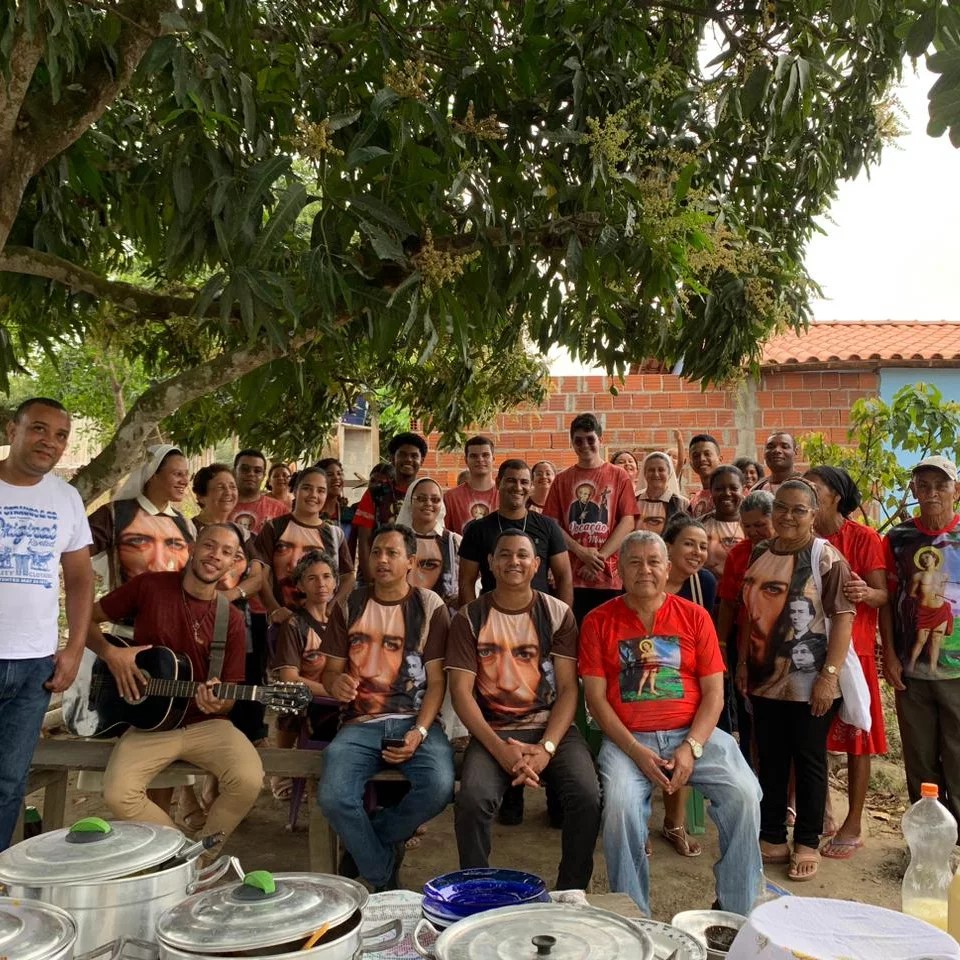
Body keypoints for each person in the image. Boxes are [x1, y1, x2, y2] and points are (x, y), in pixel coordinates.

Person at [580, 531, 762, 915]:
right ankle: (634, 915)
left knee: (745, 794)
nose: (645, 570)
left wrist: (691, 747)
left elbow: (714, 694)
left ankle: (736, 909)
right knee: (619, 807)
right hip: (629, 741)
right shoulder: (598, 621)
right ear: (619, 570)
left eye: (653, 562)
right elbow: (595, 700)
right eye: (634, 562)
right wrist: (635, 751)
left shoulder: (695, 617)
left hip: (693, 734)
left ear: (667, 569)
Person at [87, 524, 264, 852]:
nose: (216, 556)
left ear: (233, 564)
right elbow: (86, 617)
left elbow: (228, 695)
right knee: (118, 793)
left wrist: (219, 703)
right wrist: (111, 654)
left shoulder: (231, 619)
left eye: (226, 552)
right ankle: (179, 854)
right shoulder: (150, 586)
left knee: (248, 780)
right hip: (151, 726)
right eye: (209, 546)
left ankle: (205, 856)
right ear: (192, 548)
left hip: (206, 724)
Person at [447, 530, 601, 888]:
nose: (513, 561)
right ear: (490, 563)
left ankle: (570, 890)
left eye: (522, 555)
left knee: (587, 795)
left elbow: (568, 689)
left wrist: (546, 748)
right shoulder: (469, 617)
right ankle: (477, 889)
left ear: (536, 565)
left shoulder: (557, 613)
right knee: (472, 800)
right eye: (504, 554)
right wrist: (500, 750)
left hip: (552, 728)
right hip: (494, 731)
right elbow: (461, 693)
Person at [319, 524, 455, 891]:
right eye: (376, 552)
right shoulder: (349, 604)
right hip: (359, 723)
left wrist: (419, 732)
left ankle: (371, 837)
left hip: (415, 720)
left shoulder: (429, 606)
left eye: (392, 553)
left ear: (410, 561)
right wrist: (336, 683)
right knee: (334, 797)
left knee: (440, 786)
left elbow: (437, 682)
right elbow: (330, 672)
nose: (381, 559)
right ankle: (383, 875)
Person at [735, 479, 855, 882]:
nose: (788, 516)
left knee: (808, 758)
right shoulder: (760, 552)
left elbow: (843, 618)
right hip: (764, 676)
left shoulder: (826, 557)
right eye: (782, 508)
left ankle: (806, 840)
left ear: (813, 514)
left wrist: (828, 677)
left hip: (811, 679)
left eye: (799, 510)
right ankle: (772, 834)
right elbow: (749, 613)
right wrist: (743, 662)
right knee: (769, 756)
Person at [0, 398, 94, 850]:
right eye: (39, 429)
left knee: (8, 784)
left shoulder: (66, 498)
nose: (50, 442)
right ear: (12, 430)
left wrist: (74, 648)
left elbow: (80, 579)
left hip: (35, 666)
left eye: (60, 436)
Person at [802, 466, 887, 858]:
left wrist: (866, 592)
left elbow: (882, 595)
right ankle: (821, 812)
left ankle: (853, 822)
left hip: (856, 650)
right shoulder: (803, 537)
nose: (807, 492)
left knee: (857, 739)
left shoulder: (863, 537)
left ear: (836, 496)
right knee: (810, 735)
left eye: (814, 487)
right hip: (810, 650)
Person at [881, 456, 960, 823]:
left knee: (958, 755)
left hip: (957, 674)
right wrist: (890, 655)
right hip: (910, 674)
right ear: (913, 490)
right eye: (923, 486)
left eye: (941, 486)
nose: (932, 494)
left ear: (956, 491)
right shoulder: (899, 539)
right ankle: (926, 833)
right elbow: (887, 600)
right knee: (919, 757)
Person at [192, 465, 267, 753]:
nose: (229, 492)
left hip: (240, 622)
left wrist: (231, 595)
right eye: (220, 487)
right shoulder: (187, 529)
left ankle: (241, 752)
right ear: (201, 495)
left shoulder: (243, 534)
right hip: (197, 622)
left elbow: (258, 577)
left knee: (243, 685)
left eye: (232, 487)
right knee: (201, 684)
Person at [657, 514, 718, 858]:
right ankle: (636, 825)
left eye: (703, 546)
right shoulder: (648, 574)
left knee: (685, 733)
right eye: (689, 544)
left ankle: (674, 822)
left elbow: (706, 638)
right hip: (648, 674)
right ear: (668, 547)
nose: (697, 552)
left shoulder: (704, 583)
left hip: (690, 676)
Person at [543, 414, 638, 623]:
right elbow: (552, 524)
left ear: (600, 439)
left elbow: (628, 521)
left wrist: (598, 559)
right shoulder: (562, 480)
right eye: (578, 440)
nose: (584, 445)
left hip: (608, 576)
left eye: (590, 439)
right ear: (572, 443)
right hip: (570, 576)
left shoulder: (619, 476)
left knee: (608, 633)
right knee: (572, 632)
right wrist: (581, 552)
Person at [458, 460, 572, 608]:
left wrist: (562, 617)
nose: (518, 487)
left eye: (524, 482)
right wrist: (472, 618)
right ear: (498, 483)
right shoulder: (477, 529)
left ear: (531, 486)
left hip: (538, 614)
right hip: (492, 614)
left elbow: (564, 577)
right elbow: (466, 582)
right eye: (511, 481)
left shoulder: (548, 527)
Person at [269, 550, 340, 782]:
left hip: (341, 700)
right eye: (312, 578)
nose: (321, 584)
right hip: (313, 702)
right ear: (300, 585)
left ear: (336, 581)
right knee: (288, 695)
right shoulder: (294, 625)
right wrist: (333, 691)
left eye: (327, 576)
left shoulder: (343, 622)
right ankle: (281, 771)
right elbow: (289, 678)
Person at [715, 490, 775, 762]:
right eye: (747, 526)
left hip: (783, 643)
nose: (753, 532)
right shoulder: (738, 554)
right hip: (746, 643)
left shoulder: (793, 551)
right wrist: (722, 644)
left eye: (760, 525)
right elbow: (728, 603)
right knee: (748, 712)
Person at [88, 444, 195, 591]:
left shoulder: (185, 524)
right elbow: (76, 552)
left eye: (186, 474)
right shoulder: (115, 514)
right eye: (177, 474)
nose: (185, 481)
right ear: (152, 474)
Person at [255, 466, 354, 622]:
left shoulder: (334, 534)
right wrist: (275, 609)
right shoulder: (274, 527)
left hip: (324, 625)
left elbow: (348, 576)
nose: (313, 495)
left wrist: (332, 606)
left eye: (321, 490)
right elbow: (260, 574)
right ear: (295, 490)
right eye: (307, 488)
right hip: (283, 624)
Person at [354, 433, 428, 581]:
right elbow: (364, 540)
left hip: (416, 576)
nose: (408, 459)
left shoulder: (427, 495)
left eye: (414, 456)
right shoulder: (375, 493)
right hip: (378, 573)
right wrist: (371, 581)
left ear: (422, 460)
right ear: (392, 458)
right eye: (403, 455)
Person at [396, 476, 462, 610]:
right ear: (409, 502)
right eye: (421, 498)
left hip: (443, 616)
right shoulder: (395, 540)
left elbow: (472, 580)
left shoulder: (454, 541)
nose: (428, 503)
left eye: (435, 499)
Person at [444, 436, 499, 535]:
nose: (480, 459)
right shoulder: (451, 497)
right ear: (466, 460)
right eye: (474, 456)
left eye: (485, 455)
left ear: (493, 459)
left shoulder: (504, 494)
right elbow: (444, 535)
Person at [701, 466, 745, 578]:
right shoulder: (699, 525)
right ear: (710, 491)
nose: (727, 493)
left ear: (743, 490)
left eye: (734, 488)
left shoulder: (751, 526)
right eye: (719, 489)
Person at [230, 450, 289, 535]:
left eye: (257, 471)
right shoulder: (219, 506)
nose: (251, 474)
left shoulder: (280, 511)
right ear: (234, 472)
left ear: (264, 476)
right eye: (245, 469)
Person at [636, 451, 689, 535]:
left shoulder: (682, 503)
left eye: (661, 470)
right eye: (651, 470)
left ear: (669, 473)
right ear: (644, 473)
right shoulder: (634, 500)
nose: (656, 474)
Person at [317, 457, 356, 545]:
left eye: (339, 474)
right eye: (330, 474)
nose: (336, 478)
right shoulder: (311, 513)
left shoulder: (349, 514)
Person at [687, 435, 722, 518]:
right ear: (691, 463)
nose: (702, 459)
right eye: (696, 456)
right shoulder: (693, 501)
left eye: (707, 454)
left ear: (720, 459)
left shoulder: (729, 494)